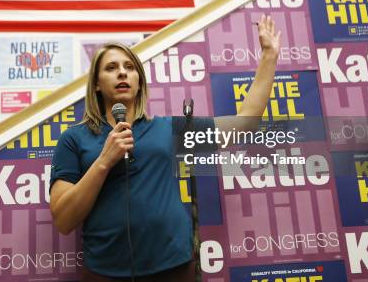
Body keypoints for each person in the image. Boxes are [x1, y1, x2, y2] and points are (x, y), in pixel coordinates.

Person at [50, 15, 281, 281]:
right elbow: (64, 220)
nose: (122, 72)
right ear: (97, 85)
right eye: (111, 67)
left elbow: (244, 124)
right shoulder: (74, 139)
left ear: (139, 82)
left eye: (129, 67)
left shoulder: (168, 128)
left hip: (173, 266)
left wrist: (269, 57)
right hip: (105, 272)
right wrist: (103, 162)